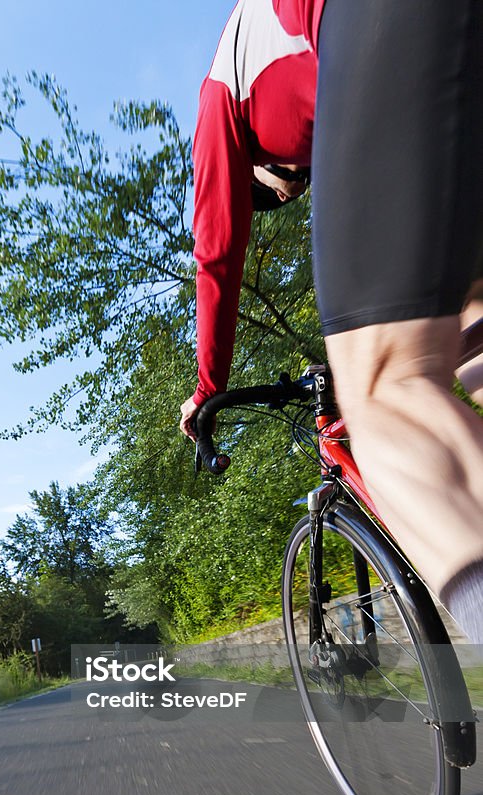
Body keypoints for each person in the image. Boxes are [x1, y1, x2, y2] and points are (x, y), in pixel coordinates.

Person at [180, 0, 483, 644]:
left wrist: (207, 390)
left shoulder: (217, 96)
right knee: (472, 324)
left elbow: (216, 255)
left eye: (268, 188)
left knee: (387, 386)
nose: (287, 190)